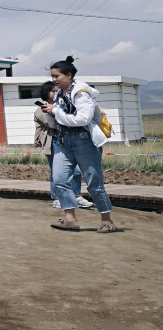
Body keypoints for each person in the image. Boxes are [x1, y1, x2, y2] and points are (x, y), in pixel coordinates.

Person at [41, 56, 119, 233]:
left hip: (84, 140)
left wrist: (57, 111)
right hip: (62, 140)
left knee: (93, 181)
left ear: (68, 75)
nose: (53, 80)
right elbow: (56, 123)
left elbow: (82, 119)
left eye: (56, 76)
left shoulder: (82, 94)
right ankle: (70, 219)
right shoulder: (60, 95)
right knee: (60, 180)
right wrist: (50, 113)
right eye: (52, 77)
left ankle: (107, 220)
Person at [34, 81, 93, 210]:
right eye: (53, 91)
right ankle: (57, 198)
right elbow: (53, 124)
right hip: (52, 142)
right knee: (56, 172)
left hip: (65, 140)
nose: (56, 93)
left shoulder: (60, 105)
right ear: (46, 93)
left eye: (57, 91)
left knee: (76, 171)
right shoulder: (41, 110)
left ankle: (76, 196)